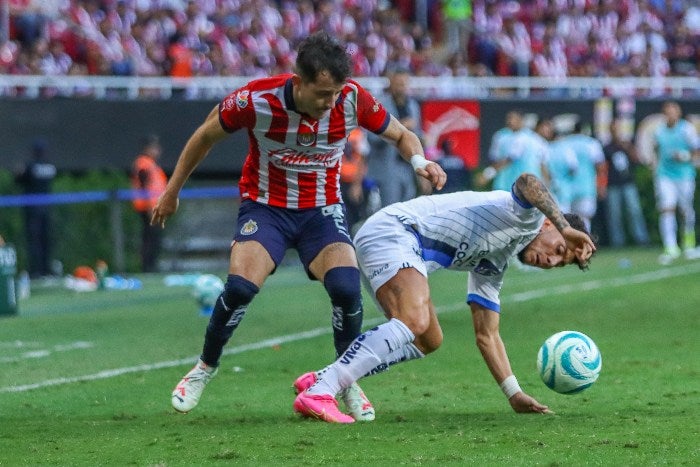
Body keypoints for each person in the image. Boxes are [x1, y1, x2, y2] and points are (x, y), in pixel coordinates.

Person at [151, 32, 446, 421]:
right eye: (322, 93)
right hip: (266, 209)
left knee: (345, 289)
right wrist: (172, 190)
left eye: (335, 94)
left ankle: (344, 380)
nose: (330, 103)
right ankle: (204, 367)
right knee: (240, 288)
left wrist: (419, 163)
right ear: (298, 81)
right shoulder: (257, 100)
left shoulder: (353, 99)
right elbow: (204, 135)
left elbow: (402, 135)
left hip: (320, 213)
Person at [293, 172, 596, 423]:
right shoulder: (527, 217)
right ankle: (323, 390)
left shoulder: (495, 263)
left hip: (400, 243)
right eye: (559, 250)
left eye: (562, 263)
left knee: (428, 338)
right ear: (548, 226)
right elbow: (529, 181)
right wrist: (566, 227)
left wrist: (513, 393)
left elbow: (487, 335)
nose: (553, 261)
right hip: (396, 231)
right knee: (414, 320)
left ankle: (322, 379)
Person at [366, 68, 432, 207]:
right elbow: (372, 138)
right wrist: (400, 127)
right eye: (398, 83)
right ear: (391, 83)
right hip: (387, 167)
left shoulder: (413, 106)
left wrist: (423, 173)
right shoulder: (380, 104)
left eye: (404, 83)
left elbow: (416, 137)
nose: (401, 87)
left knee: (407, 212)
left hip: (407, 166)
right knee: (389, 212)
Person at [651, 101, 700, 264]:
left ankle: (689, 244)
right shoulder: (659, 132)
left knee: (686, 210)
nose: (670, 115)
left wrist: (684, 156)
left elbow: (696, 152)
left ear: (678, 114)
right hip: (665, 176)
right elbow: (656, 151)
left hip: (684, 175)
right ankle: (670, 246)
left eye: (673, 112)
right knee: (667, 208)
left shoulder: (687, 129)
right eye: (667, 112)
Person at [602, 120, 650, 248]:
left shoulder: (627, 145)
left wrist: (628, 147)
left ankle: (641, 239)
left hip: (628, 183)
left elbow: (637, 159)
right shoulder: (607, 147)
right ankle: (617, 242)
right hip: (613, 184)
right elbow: (603, 168)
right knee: (614, 215)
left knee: (634, 211)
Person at [15, 139, 56, 278]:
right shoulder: (50, 165)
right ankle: (46, 269)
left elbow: (19, 180)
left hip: (32, 209)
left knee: (35, 241)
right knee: (45, 240)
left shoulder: (30, 166)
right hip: (46, 208)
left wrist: (19, 172)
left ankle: (37, 271)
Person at [131, 134, 167, 273]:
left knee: (153, 238)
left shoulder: (151, 164)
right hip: (148, 208)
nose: (158, 150)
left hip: (154, 207)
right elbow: (145, 187)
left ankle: (151, 266)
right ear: (147, 148)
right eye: (154, 147)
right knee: (150, 238)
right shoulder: (143, 164)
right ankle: (148, 268)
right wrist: (149, 208)